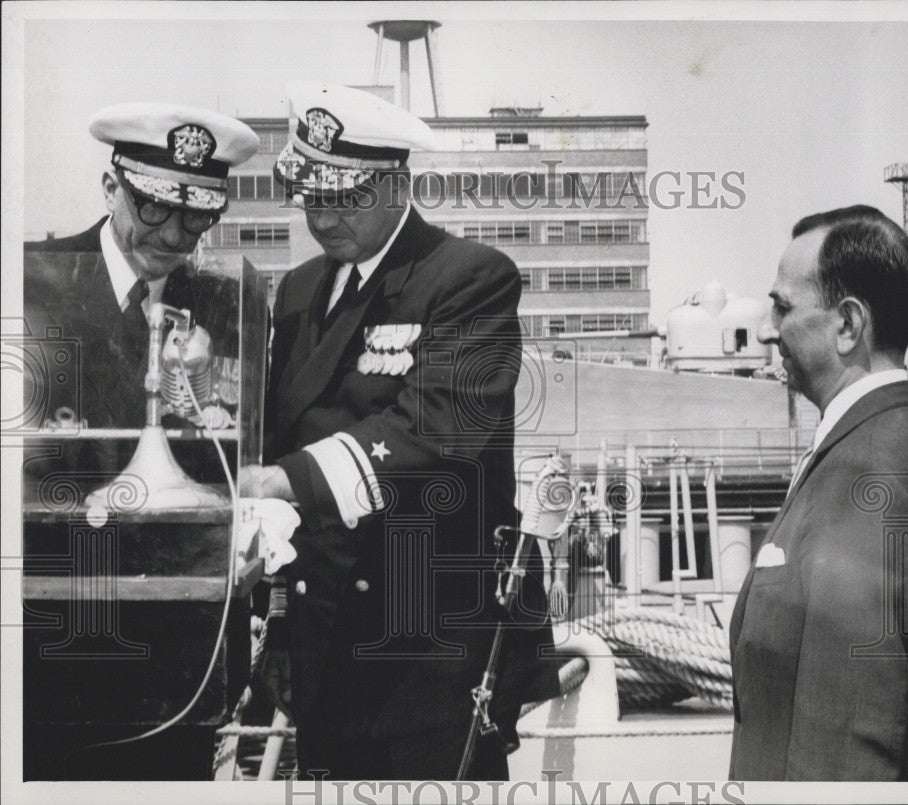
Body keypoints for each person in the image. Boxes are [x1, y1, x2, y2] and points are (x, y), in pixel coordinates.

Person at [240, 84, 558, 780]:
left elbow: (439, 430)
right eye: (312, 196)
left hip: (427, 650)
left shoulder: (470, 279)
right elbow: (274, 433)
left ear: (397, 183)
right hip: (325, 647)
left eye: (344, 196)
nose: (323, 215)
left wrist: (288, 478)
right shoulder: (295, 293)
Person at [21, 103, 259, 780]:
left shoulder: (224, 302)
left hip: (179, 663)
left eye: (196, 216)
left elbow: (238, 451)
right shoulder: (31, 284)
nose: (175, 233)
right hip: (49, 649)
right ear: (110, 188)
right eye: (153, 208)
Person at [729, 205, 908, 780]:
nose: (768, 328)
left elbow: (842, 739)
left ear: (847, 325)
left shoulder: (873, 480)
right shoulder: (883, 446)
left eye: (784, 307)